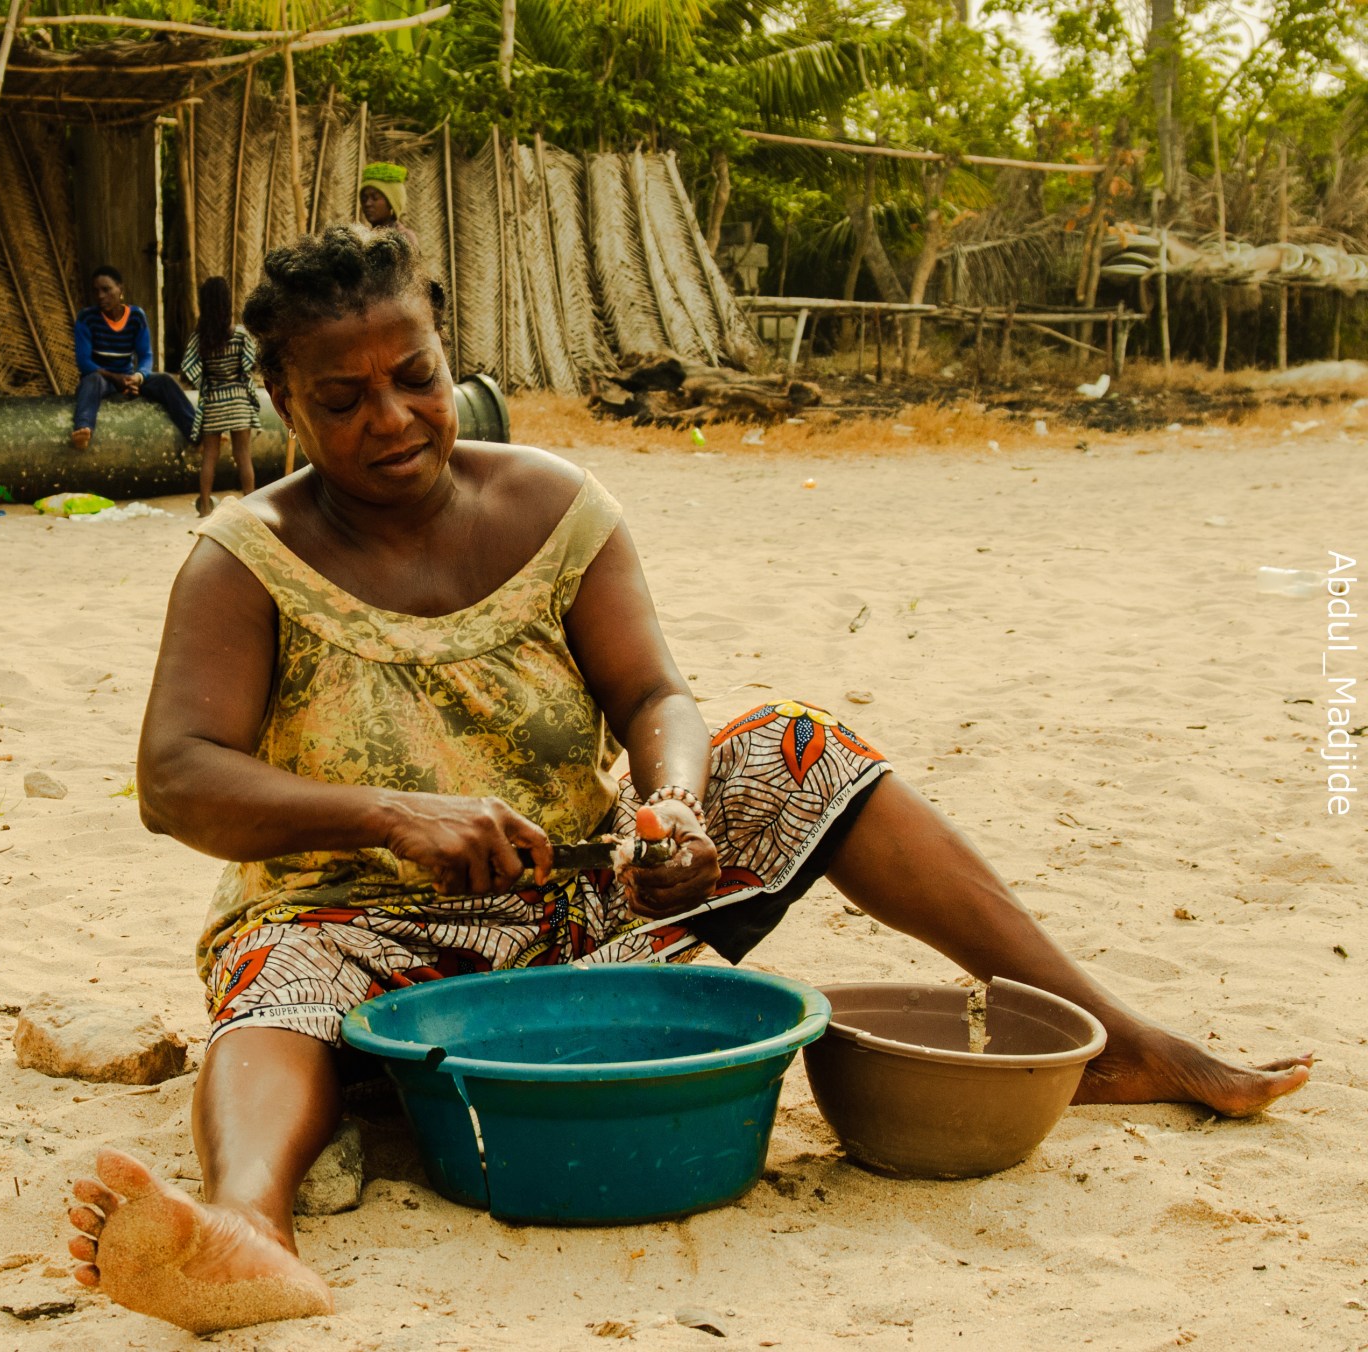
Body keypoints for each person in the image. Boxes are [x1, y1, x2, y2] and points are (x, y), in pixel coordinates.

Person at [63, 224, 1313, 1337]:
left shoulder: (553, 505)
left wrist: (665, 800)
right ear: (280, 399)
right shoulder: (245, 558)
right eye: (341, 398)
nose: (390, 417)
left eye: (415, 377)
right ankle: (246, 1228)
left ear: (450, 357)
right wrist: (395, 812)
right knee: (278, 968)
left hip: (578, 915)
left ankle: (1118, 1041)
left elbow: (656, 696)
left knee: (792, 745)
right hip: (351, 930)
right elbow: (175, 779)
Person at [71, 265, 196, 452]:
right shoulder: (86, 318)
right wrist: (115, 378)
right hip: (102, 378)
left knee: (164, 381)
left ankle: (196, 434)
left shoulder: (136, 316)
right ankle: (83, 429)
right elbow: (84, 363)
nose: (100, 296)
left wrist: (138, 377)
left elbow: (146, 356)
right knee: (92, 380)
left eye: (106, 289)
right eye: (96, 291)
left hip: (128, 378)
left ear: (120, 289)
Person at [180, 276, 260, 518]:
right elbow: (250, 364)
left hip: (214, 399)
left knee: (210, 456)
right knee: (243, 455)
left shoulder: (200, 338)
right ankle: (252, 505)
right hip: (238, 399)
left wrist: (207, 382)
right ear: (227, 302)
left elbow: (188, 368)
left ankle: (204, 507)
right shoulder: (240, 335)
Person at [358, 161, 418, 248]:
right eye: (364, 199)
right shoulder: (363, 239)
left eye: (375, 198)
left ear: (391, 202)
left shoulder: (404, 238)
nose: (367, 203)